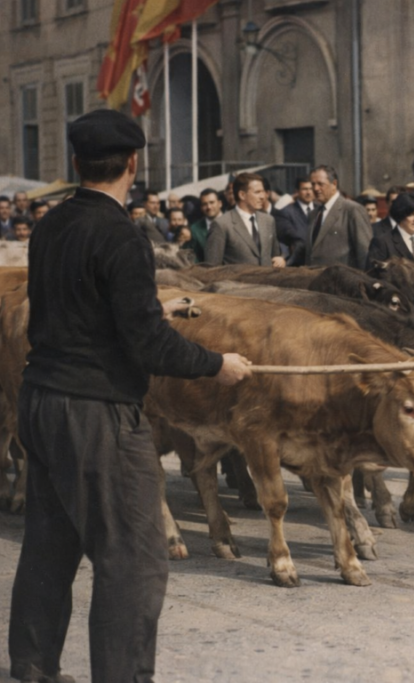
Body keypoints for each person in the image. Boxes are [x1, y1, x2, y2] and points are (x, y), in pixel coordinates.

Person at [8, 108, 251, 683]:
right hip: (96, 413)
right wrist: (218, 364)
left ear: (75, 163)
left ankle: (34, 666)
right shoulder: (121, 235)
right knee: (135, 560)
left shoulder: (51, 224)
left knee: (50, 542)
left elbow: (74, 309)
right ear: (134, 164)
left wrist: (152, 308)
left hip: (41, 400)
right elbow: (149, 348)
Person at [204, 172, 285, 267]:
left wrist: (280, 260)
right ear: (242, 195)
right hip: (235, 281)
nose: (263, 197)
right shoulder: (221, 225)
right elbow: (212, 268)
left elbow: (275, 255)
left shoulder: (268, 220)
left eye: (263, 192)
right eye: (257, 192)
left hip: (268, 281)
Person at [304, 165, 372, 267]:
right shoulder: (313, 214)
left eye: (320, 184)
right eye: (313, 184)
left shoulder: (352, 210)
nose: (315, 188)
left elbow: (364, 252)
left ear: (334, 183)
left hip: (341, 279)